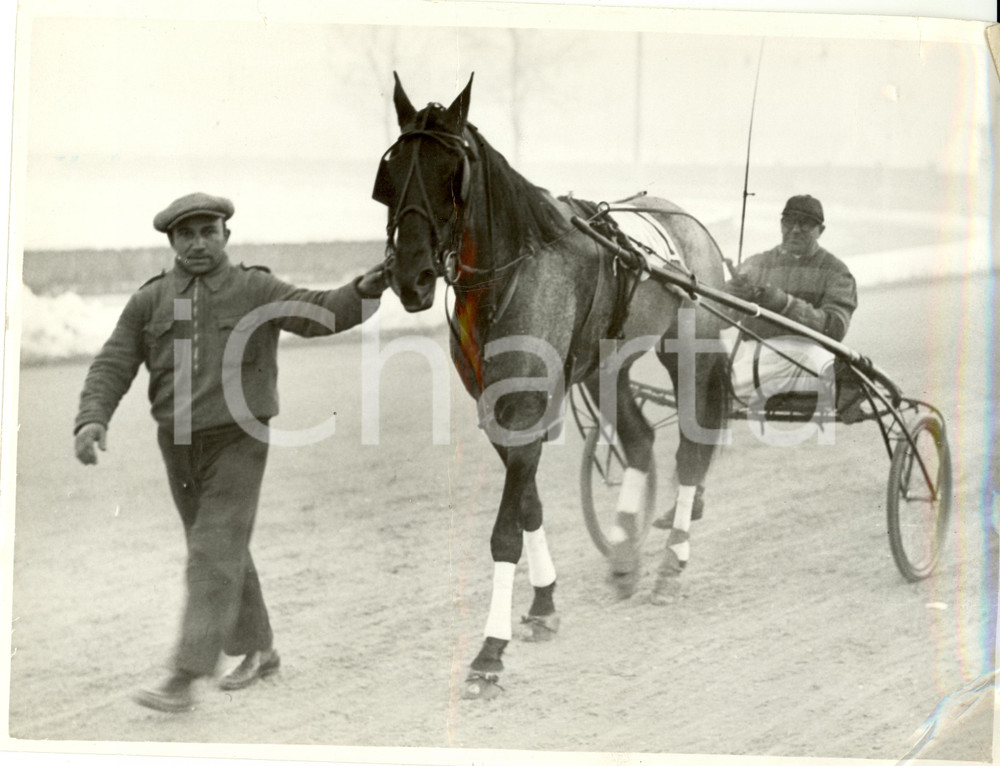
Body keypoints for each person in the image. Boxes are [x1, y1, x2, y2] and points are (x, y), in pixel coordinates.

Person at [73, 192, 389, 713]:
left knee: (212, 548)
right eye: (186, 234)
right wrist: (91, 417)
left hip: (241, 436)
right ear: (172, 241)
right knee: (221, 546)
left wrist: (364, 289)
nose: (198, 243)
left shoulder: (254, 288)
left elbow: (320, 314)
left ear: (226, 235)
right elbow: (113, 361)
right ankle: (261, 649)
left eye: (208, 232)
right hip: (176, 443)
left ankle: (185, 674)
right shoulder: (149, 300)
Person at [654, 193, 859, 529]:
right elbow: (719, 317)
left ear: (820, 230)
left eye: (805, 224)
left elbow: (834, 327)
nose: (795, 229)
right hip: (756, 358)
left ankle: (840, 382)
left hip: (806, 357)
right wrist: (698, 295)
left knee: (806, 360)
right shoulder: (756, 264)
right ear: (780, 224)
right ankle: (693, 494)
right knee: (708, 386)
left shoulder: (837, 272)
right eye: (789, 221)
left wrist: (778, 299)